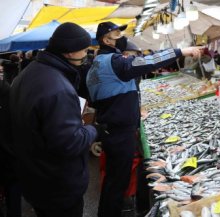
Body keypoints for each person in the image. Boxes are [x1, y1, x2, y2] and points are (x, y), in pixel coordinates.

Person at [86, 21, 201, 217]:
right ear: (106, 40)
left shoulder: (95, 65)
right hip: (119, 132)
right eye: (116, 35)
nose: (121, 38)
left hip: (111, 129)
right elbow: (148, 61)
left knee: (114, 180)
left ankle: (108, 211)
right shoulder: (114, 62)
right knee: (117, 182)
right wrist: (181, 51)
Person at [9, 22, 102, 217]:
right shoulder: (57, 87)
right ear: (69, 52)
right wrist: (92, 128)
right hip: (57, 185)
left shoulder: (27, 74)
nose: (87, 53)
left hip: (35, 176)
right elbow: (70, 143)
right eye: (84, 49)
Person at [0, 78, 21, 217]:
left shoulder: (7, 89)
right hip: (9, 153)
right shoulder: (7, 89)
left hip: (8, 153)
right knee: (13, 189)